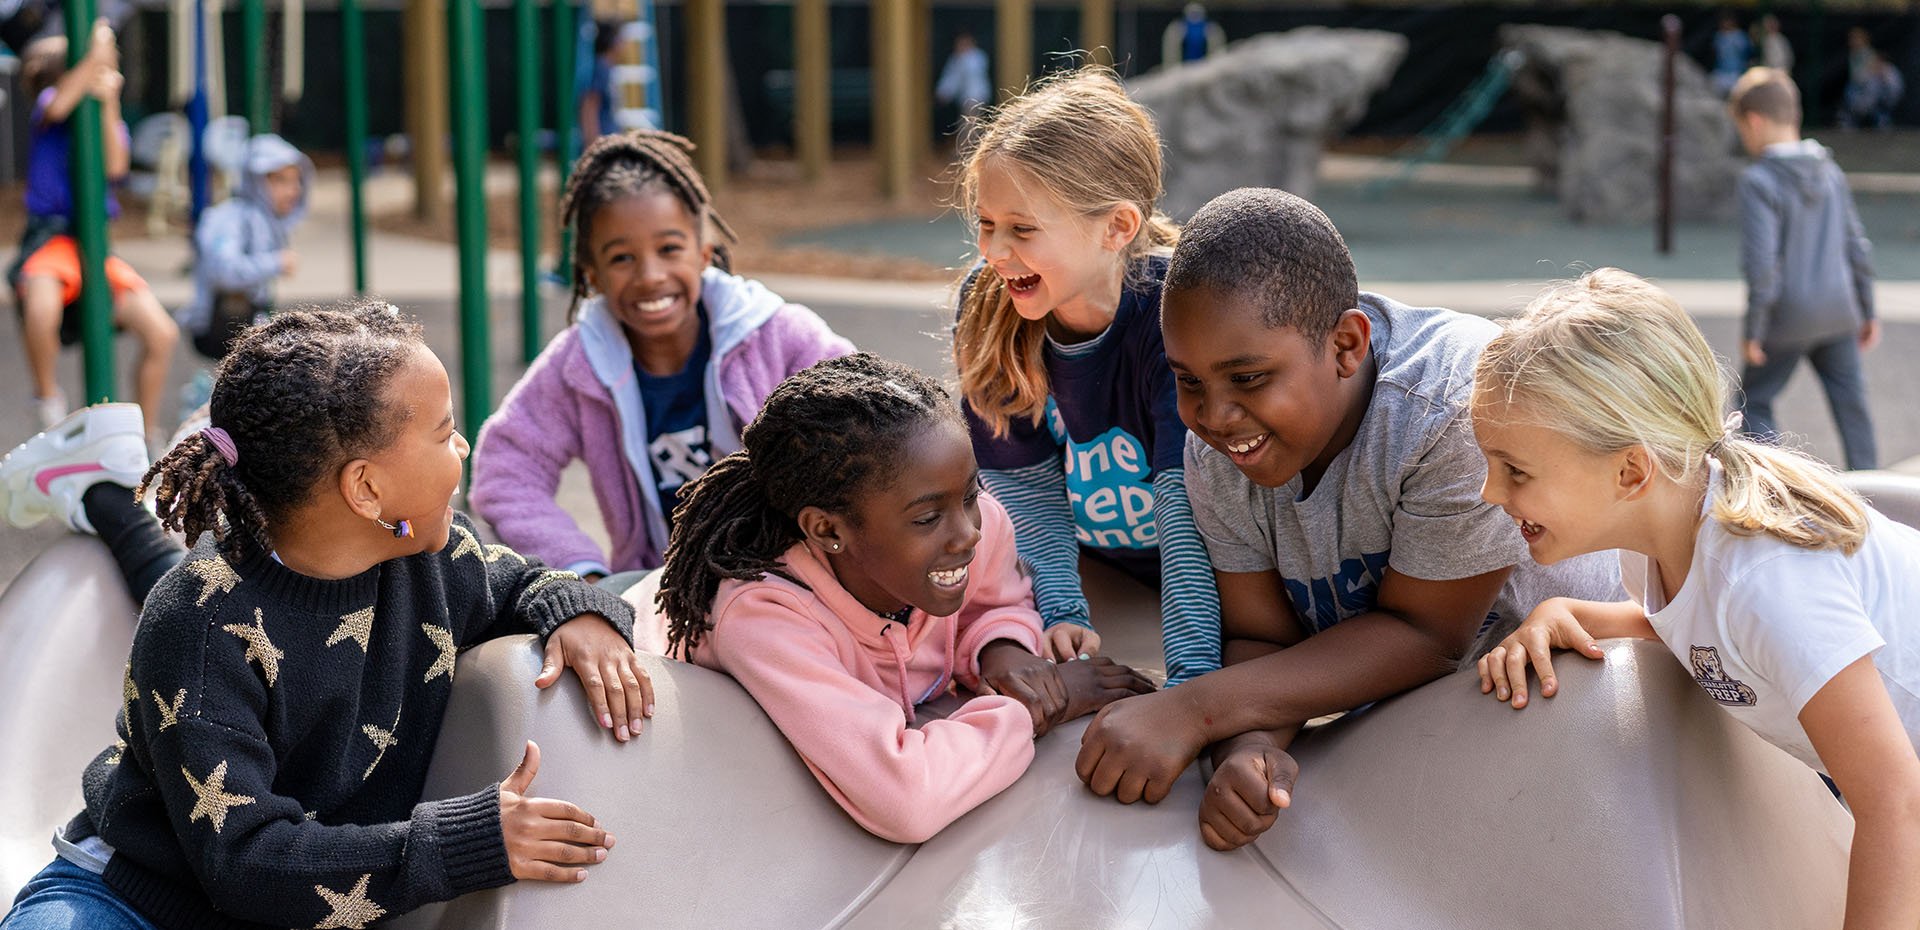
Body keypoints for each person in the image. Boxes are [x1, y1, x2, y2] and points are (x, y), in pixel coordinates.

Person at [0, 300, 654, 930]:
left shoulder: (436, 557)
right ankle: (104, 493)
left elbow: (528, 582)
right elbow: (244, 860)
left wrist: (578, 613)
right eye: (441, 431)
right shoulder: (198, 628)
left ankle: (106, 494)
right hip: (135, 900)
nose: (462, 445)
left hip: (306, 908)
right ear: (367, 488)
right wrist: (465, 844)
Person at [1074, 187, 1621, 848]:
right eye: (1188, 381)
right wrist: (1248, 750)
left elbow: (1426, 635)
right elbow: (1261, 636)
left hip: (1580, 702)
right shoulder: (1216, 452)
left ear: (1346, 344)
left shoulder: (1456, 410)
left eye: (1247, 378)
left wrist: (1196, 709)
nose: (1213, 416)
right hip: (1421, 719)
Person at [1471, 268, 1920, 930]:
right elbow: (1710, 633)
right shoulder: (1661, 542)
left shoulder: (1766, 579)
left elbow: (1895, 798)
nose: (1489, 492)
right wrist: (1571, 613)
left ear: (1630, 471)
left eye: (1516, 470)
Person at [654, 354, 1155, 843]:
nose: (967, 534)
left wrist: (1002, 651)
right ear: (827, 529)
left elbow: (994, 603)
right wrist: (1035, 709)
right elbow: (907, 798)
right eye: (926, 518)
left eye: (969, 494)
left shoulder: (973, 532)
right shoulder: (766, 619)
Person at [471, 130, 852, 580]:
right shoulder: (579, 364)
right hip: (663, 591)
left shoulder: (777, 335)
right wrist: (582, 570)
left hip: (796, 579)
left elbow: (869, 424)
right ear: (591, 275)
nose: (650, 276)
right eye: (621, 259)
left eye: (669, 249)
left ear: (704, 254)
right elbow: (505, 470)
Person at [951, 68, 1221, 686]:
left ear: (1117, 228)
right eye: (986, 223)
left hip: (1212, 570)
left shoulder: (1173, 311)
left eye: (1022, 229)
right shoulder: (989, 305)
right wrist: (1061, 606)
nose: (994, 250)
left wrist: (1188, 683)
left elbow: (1187, 511)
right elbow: (1023, 486)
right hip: (1103, 566)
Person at [9, 26, 177, 438]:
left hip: (93, 243)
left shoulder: (98, 111)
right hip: (52, 238)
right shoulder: (51, 104)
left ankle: (144, 431)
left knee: (161, 333)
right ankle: (47, 399)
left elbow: (116, 165)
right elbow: (62, 102)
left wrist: (111, 103)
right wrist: (97, 52)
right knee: (42, 304)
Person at [1728, 67, 1878, 471]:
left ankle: (1775, 489)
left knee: (1752, 401)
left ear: (1754, 121)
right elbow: (1856, 246)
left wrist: (1754, 328)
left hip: (1788, 317)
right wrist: (1868, 308)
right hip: (1840, 309)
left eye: (1742, 128)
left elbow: (1762, 264)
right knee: (1852, 406)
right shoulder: (1830, 170)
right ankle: (1874, 492)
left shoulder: (1759, 180)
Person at [179, 133, 312, 360]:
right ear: (255, 181)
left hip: (246, 322)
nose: (293, 190)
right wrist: (275, 262)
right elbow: (224, 271)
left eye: (296, 180)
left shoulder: (267, 221)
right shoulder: (230, 217)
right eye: (281, 180)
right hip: (216, 326)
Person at [935, 31, 990, 148]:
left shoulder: (975, 57)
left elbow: (961, 76)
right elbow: (952, 78)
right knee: (969, 124)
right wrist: (944, 92)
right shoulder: (958, 58)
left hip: (976, 96)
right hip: (967, 98)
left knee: (971, 124)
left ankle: (968, 150)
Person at [1711, 11, 1753, 97]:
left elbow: (1748, 54)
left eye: (1727, 21)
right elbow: (1716, 53)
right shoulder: (1719, 36)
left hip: (1736, 72)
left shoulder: (1740, 36)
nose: (1725, 24)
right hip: (1721, 72)